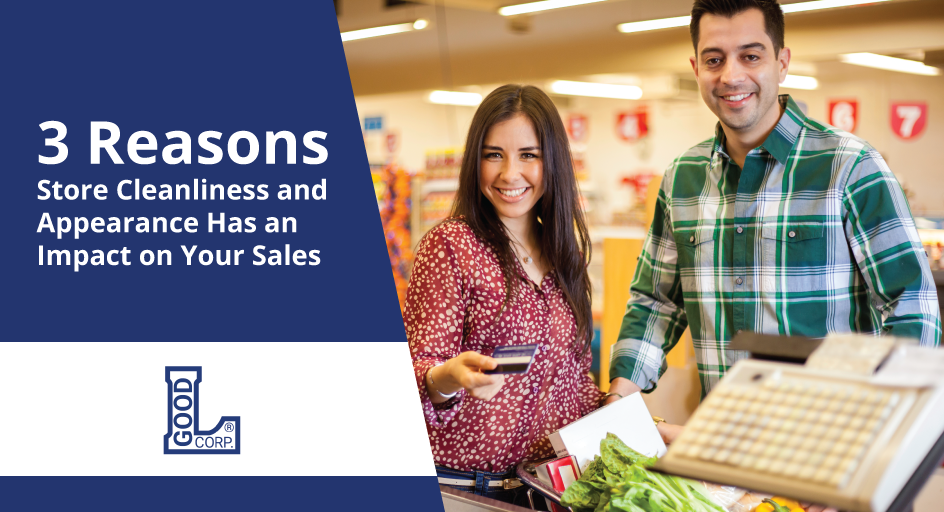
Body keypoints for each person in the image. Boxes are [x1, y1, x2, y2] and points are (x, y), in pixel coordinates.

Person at [606, 0, 941, 442]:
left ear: (782, 63)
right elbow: (656, 303)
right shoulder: (682, 178)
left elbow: (911, 305)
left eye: (751, 56)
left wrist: (878, 428)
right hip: (720, 443)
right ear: (696, 68)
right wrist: (619, 395)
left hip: (833, 444)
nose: (731, 76)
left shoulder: (850, 166)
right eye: (714, 59)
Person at [404, 84, 602, 506]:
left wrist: (648, 425)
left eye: (529, 155)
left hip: (543, 490)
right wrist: (449, 376)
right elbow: (415, 369)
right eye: (493, 154)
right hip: (462, 488)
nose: (510, 173)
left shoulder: (563, 254)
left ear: (553, 162)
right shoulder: (451, 246)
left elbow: (573, 385)